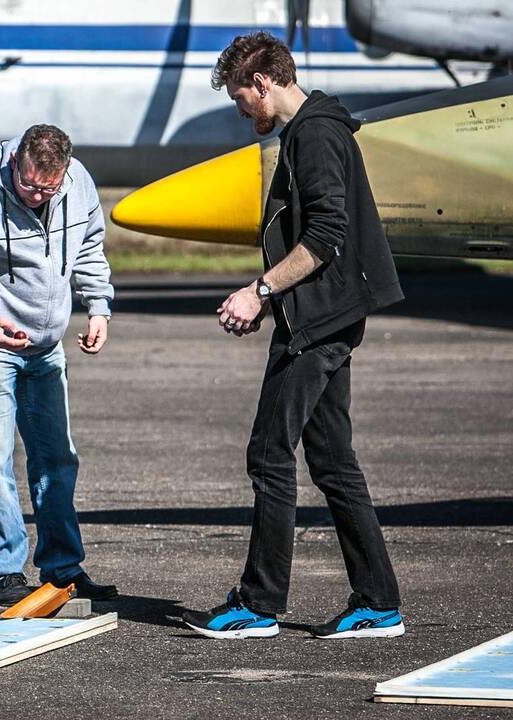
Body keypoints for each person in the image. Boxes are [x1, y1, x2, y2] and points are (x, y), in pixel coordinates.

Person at [182, 32, 406, 640]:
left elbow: (327, 234)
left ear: (263, 84)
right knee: (332, 461)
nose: (239, 110)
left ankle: (258, 605)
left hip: (317, 323)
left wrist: (259, 292)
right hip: (324, 317)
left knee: (269, 454)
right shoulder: (315, 128)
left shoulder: (315, 133)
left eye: (239, 98)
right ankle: (378, 601)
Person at [0, 124, 117, 606]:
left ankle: (63, 567)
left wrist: (98, 306)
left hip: (47, 344)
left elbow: (91, 249)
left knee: (57, 458)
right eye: (29, 184)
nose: (36, 196)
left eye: (46, 188)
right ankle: (4, 569)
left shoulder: (79, 185)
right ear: (16, 163)